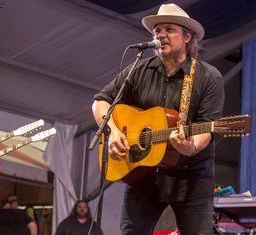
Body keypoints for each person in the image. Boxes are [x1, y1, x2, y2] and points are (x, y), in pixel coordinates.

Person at [92, 3, 224, 235]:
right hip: (143, 176)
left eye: (169, 29)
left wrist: (189, 146)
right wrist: (113, 131)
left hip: (190, 179)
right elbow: (101, 101)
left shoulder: (208, 77)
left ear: (187, 37)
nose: (160, 34)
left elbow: (207, 127)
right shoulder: (138, 70)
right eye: (157, 30)